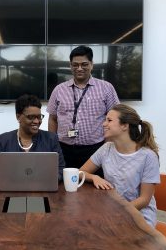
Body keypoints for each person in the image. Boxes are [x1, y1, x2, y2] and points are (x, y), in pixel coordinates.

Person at [79, 104, 160, 227]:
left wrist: (117, 212)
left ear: (124, 126)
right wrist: (94, 177)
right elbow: (80, 172)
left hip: (138, 216)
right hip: (111, 212)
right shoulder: (106, 149)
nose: (104, 124)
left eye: (109, 120)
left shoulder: (148, 156)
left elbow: (144, 200)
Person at [47, 45, 120, 177]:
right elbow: (52, 118)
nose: (79, 68)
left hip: (95, 150)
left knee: (94, 189)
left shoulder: (106, 88)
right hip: (64, 149)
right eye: (75, 65)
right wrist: (53, 145)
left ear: (92, 64)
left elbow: (115, 119)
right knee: (64, 188)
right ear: (70, 65)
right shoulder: (59, 89)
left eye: (84, 64)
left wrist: (108, 146)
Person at [0, 94, 65, 181]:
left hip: (42, 190)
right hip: (13, 190)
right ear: (18, 117)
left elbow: (61, 170)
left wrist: (42, 180)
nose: (37, 121)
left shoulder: (51, 139)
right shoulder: (4, 140)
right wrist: (22, 179)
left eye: (39, 117)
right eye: (31, 117)